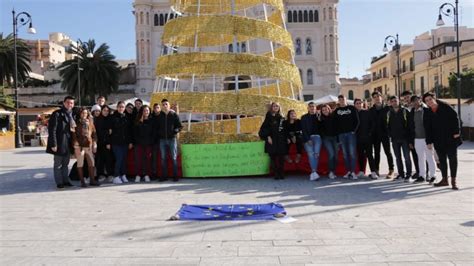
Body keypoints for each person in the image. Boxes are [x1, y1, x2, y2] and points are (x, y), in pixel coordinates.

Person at [423, 92, 461, 190]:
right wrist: (429, 141)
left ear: (434, 98)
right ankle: (444, 180)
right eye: (426, 101)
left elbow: (455, 117)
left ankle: (453, 180)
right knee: (442, 160)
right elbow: (427, 128)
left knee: (452, 159)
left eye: (430, 99)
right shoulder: (427, 112)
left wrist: (456, 132)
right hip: (438, 140)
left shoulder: (445, 106)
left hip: (450, 138)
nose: (429, 102)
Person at [46, 96, 76, 189]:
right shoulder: (57, 114)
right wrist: (53, 144)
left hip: (68, 143)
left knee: (66, 164)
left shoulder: (72, 115)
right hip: (59, 143)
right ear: (63, 103)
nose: (69, 104)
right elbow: (52, 130)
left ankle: (66, 180)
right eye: (68, 102)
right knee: (58, 164)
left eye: (71, 103)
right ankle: (59, 182)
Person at [409, 95, 437, 184]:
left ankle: (433, 176)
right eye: (413, 101)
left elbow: (431, 127)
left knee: (430, 158)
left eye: (416, 100)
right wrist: (411, 141)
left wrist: (430, 140)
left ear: (420, 100)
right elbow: (410, 128)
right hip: (417, 139)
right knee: (420, 158)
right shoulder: (412, 112)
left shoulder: (426, 111)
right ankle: (422, 176)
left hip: (427, 139)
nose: (415, 103)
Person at [259, 102, 288, 180]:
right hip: (272, 140)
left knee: (281, 158)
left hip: (281, 140)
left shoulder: (282, 117)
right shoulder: (268, 117)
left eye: (277, 106)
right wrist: (267, 136)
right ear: (271, 107)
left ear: (279, 108)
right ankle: (276, 173)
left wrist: (288, 137)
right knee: (273, 158)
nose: (276, 107)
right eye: (274, 106)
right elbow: (263, 130)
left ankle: (281, 173)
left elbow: (285, 129)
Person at [369, 91, 395, 178]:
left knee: (388, 152)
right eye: (375, 97)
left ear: (381, 97)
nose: (377, 98)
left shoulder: (388, 108)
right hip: (375, 135)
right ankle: (376, 170)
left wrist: (390, 132)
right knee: (377, 153)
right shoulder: (371, 110)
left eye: (378, 96)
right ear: (373, 99)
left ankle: (391, 170)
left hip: (385, 134)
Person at [156, 99, 183, 182]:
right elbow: (156, 127)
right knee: (163, 158)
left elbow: (180, 126)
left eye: (166, 104)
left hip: (172, 139)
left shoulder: (174, 115)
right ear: (162, 106)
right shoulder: (159, 115)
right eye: (163, 104)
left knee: (174, 158)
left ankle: (175, 176)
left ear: (169, 105)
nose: (165, 106)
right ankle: (164, 176)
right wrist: (159, 134)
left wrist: (176, 131)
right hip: (162, 140)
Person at [386, 96, 412, 181]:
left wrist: (409, 137)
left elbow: (410, 125)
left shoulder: (405, 111)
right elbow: (388, 126)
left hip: (405, 139)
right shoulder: (389, 113)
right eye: (392, 101)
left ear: (398, 101)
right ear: (390, 102)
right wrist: (390, 135)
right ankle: (401, 174)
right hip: (394, 139)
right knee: (398, 158)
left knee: (407, 157)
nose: (394, 102)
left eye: (395, 101)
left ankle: (408, 174)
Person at [334, 95, 359, 180]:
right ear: (338, 101)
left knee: (352, 153)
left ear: (346, 100)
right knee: (345, 154)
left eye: (343, 99)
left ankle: (353, 172)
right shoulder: (336, 111)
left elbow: (357, 121)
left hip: (351, 134)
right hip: (341, 135)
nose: (342, 101)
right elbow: (335, 124)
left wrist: (354, 131)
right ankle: (348, 171)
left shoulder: (352, 108)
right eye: (340, 100)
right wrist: (338, 135)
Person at [72, 108, 98, 187]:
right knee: (80, 164)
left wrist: (94, 143)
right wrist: (76, 144)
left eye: (86, 113)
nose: (84, 114)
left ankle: (92, 180)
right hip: (79, 146)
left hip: (88, 146)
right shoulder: (75, 123)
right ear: (80, 114)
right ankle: (82, 182)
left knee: (92, 163)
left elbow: (94, 134)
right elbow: (73, 135)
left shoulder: (90, 123)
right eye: (83, 113)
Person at [108, 101, 133, 184]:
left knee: (123, 160)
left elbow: (129, 131)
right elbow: (109, 131)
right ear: (117, 107)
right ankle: (116, 176)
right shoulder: (112, 117)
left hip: (125, 142)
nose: (121, 108)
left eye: (123, 107)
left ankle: (123, 175)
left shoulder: (126, 117)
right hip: (116, 142)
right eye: (120, 107)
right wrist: (109, 142)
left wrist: (130, 142)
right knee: (119, 159)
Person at [354, 98, 377, 179]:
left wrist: (370, 133)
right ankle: (361, 171)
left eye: (360, 103)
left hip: (367, 138)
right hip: (358, 139)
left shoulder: (367, 112)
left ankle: (373, 172)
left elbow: (373, 124)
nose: (359, 104)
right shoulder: (353, 114)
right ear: (354, 105)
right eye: (357, 103)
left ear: (362, 104)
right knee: (360, 155)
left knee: (370, 155)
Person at [401, 90, 420, 179]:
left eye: (408, 97)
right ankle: (418, 171)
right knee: (414, 155)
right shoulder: (404, 109)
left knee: (421, 155)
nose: (407, 99)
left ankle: (424, 172)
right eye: (405, 98)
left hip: (419, 135)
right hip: (410, 136)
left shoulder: (418, 107)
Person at [301, 102, 321, 181]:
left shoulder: (319, 117)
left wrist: (320, 119)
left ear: (316, 108)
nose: (312, 108)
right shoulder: (304, 117)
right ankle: (314, 172)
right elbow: (303, 129)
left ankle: (313, 173)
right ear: (308, 108)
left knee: (316, 154)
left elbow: (322, 128)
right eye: (311, 107)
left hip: (317, 137)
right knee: (311, 154)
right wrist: (307, 139)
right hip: (307, 138)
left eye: (314, 107)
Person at [133, 105, 153, 182]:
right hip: (138, 144)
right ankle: (138, 175)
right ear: (142, 111)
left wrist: (151, 141)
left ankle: (146, 175)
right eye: (145, 110)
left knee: (147, 160)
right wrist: (137, 141)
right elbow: (135, 133)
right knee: (138, 160)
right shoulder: (137, 121)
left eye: (147, 110)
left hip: (148, 144)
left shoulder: (152, 121)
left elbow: (153, 133)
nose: (146, 112)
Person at [95, 105, 114, 183]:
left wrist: (108, 142)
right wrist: (107, 132)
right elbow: (98, 132)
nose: (106, 112)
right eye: (104, 110)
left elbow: (112, 132)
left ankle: (110, 174)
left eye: (107, 111)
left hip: (108, 143)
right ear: (101, 111)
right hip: (100, 143)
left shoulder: (110, 119)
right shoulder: (98, 120)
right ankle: (101, 174)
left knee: (109, 159)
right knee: (100, 160)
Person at [319, 104, 338, 179]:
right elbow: (320, 130)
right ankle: (331, 172)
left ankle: (333, 171)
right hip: (326, 138)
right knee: (331, 154)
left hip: (335, 138)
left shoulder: (334, 117)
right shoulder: (320, 119)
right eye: (323, 110)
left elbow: (338, 127)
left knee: (336, 156)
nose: (325, 111)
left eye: (326, 109)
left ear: (329, 109)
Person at [151, 103, 161, 178]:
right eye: (155, 108)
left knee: (162, 157)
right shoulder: (151, 117)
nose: (156, 109)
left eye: (158, 107)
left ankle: (162, 173)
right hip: (153, 141)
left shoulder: (163, 116)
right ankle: (154, 173)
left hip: (162, 140)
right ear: (153, 109)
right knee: (154, 158)